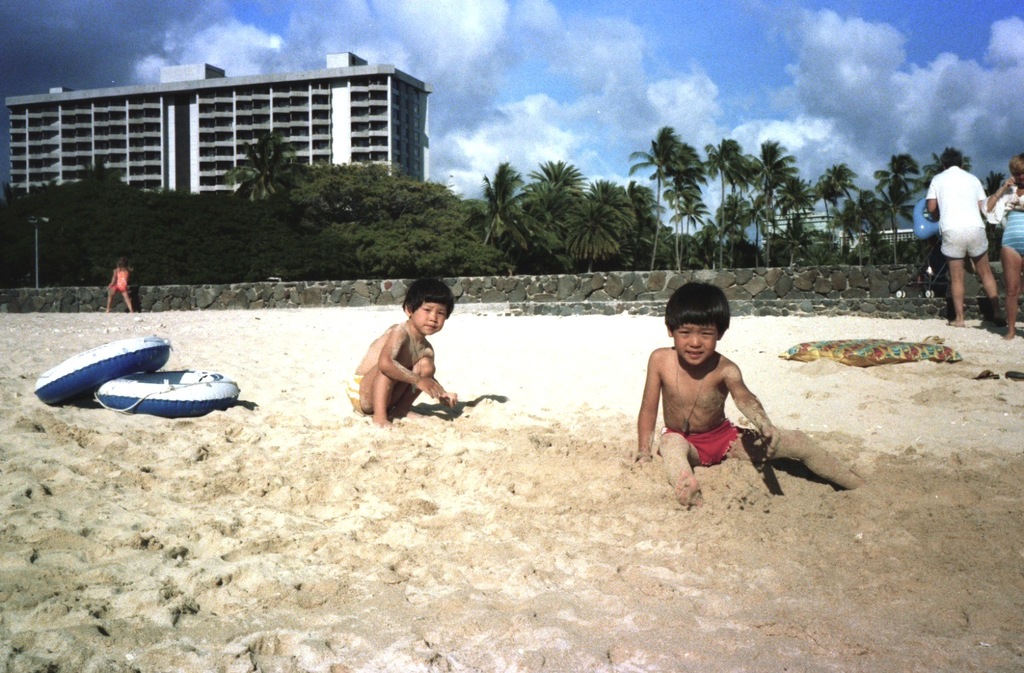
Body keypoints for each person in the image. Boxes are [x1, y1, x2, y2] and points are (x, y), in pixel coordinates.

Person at [634, 282, 864, 508]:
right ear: (670, 329)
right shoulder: (660, 360)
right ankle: (686, 486)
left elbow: (744, 397)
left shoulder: (726, 368)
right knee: (671, 443)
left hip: (724, 439)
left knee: (799, 442)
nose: (695, 342)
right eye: (685, 333)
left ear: (720, 333)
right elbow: (649, 408)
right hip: (685, 442)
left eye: (706, 334)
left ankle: (857, 484)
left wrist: (763, 424)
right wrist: (644, 451)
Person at [346, 278, 458, 427]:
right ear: (409, 310)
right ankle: (379, 417)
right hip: (362, 393)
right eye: (427, 310)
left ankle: (401, 410)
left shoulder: (427, 349)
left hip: (385, 394)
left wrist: (441, 393)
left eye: (441, 313)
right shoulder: (400, 332)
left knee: (426, 366)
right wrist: (418, 381)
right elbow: (385, 364)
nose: (433, 318)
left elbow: (426, 378)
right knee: (388, 364)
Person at [926, 147, 1001, 327]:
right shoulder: (972, 179)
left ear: (943, 164)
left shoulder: (937, 179)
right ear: (961, 163)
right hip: (975, 227)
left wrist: (938, 215)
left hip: (952, 228)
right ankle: (998, 311)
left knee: (956, 277)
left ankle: (960, 318)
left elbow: (930, 208)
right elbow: (982, 205)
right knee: (986, 272)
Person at [984, 153, 1024, 340]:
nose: (1021, 176)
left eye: (1023, 173)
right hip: (1010, 243)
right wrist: (1003, 188)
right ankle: (1011, 330)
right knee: (1011, 290)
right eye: (1017, 173)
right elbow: (988, 209)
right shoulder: (1008, 192)